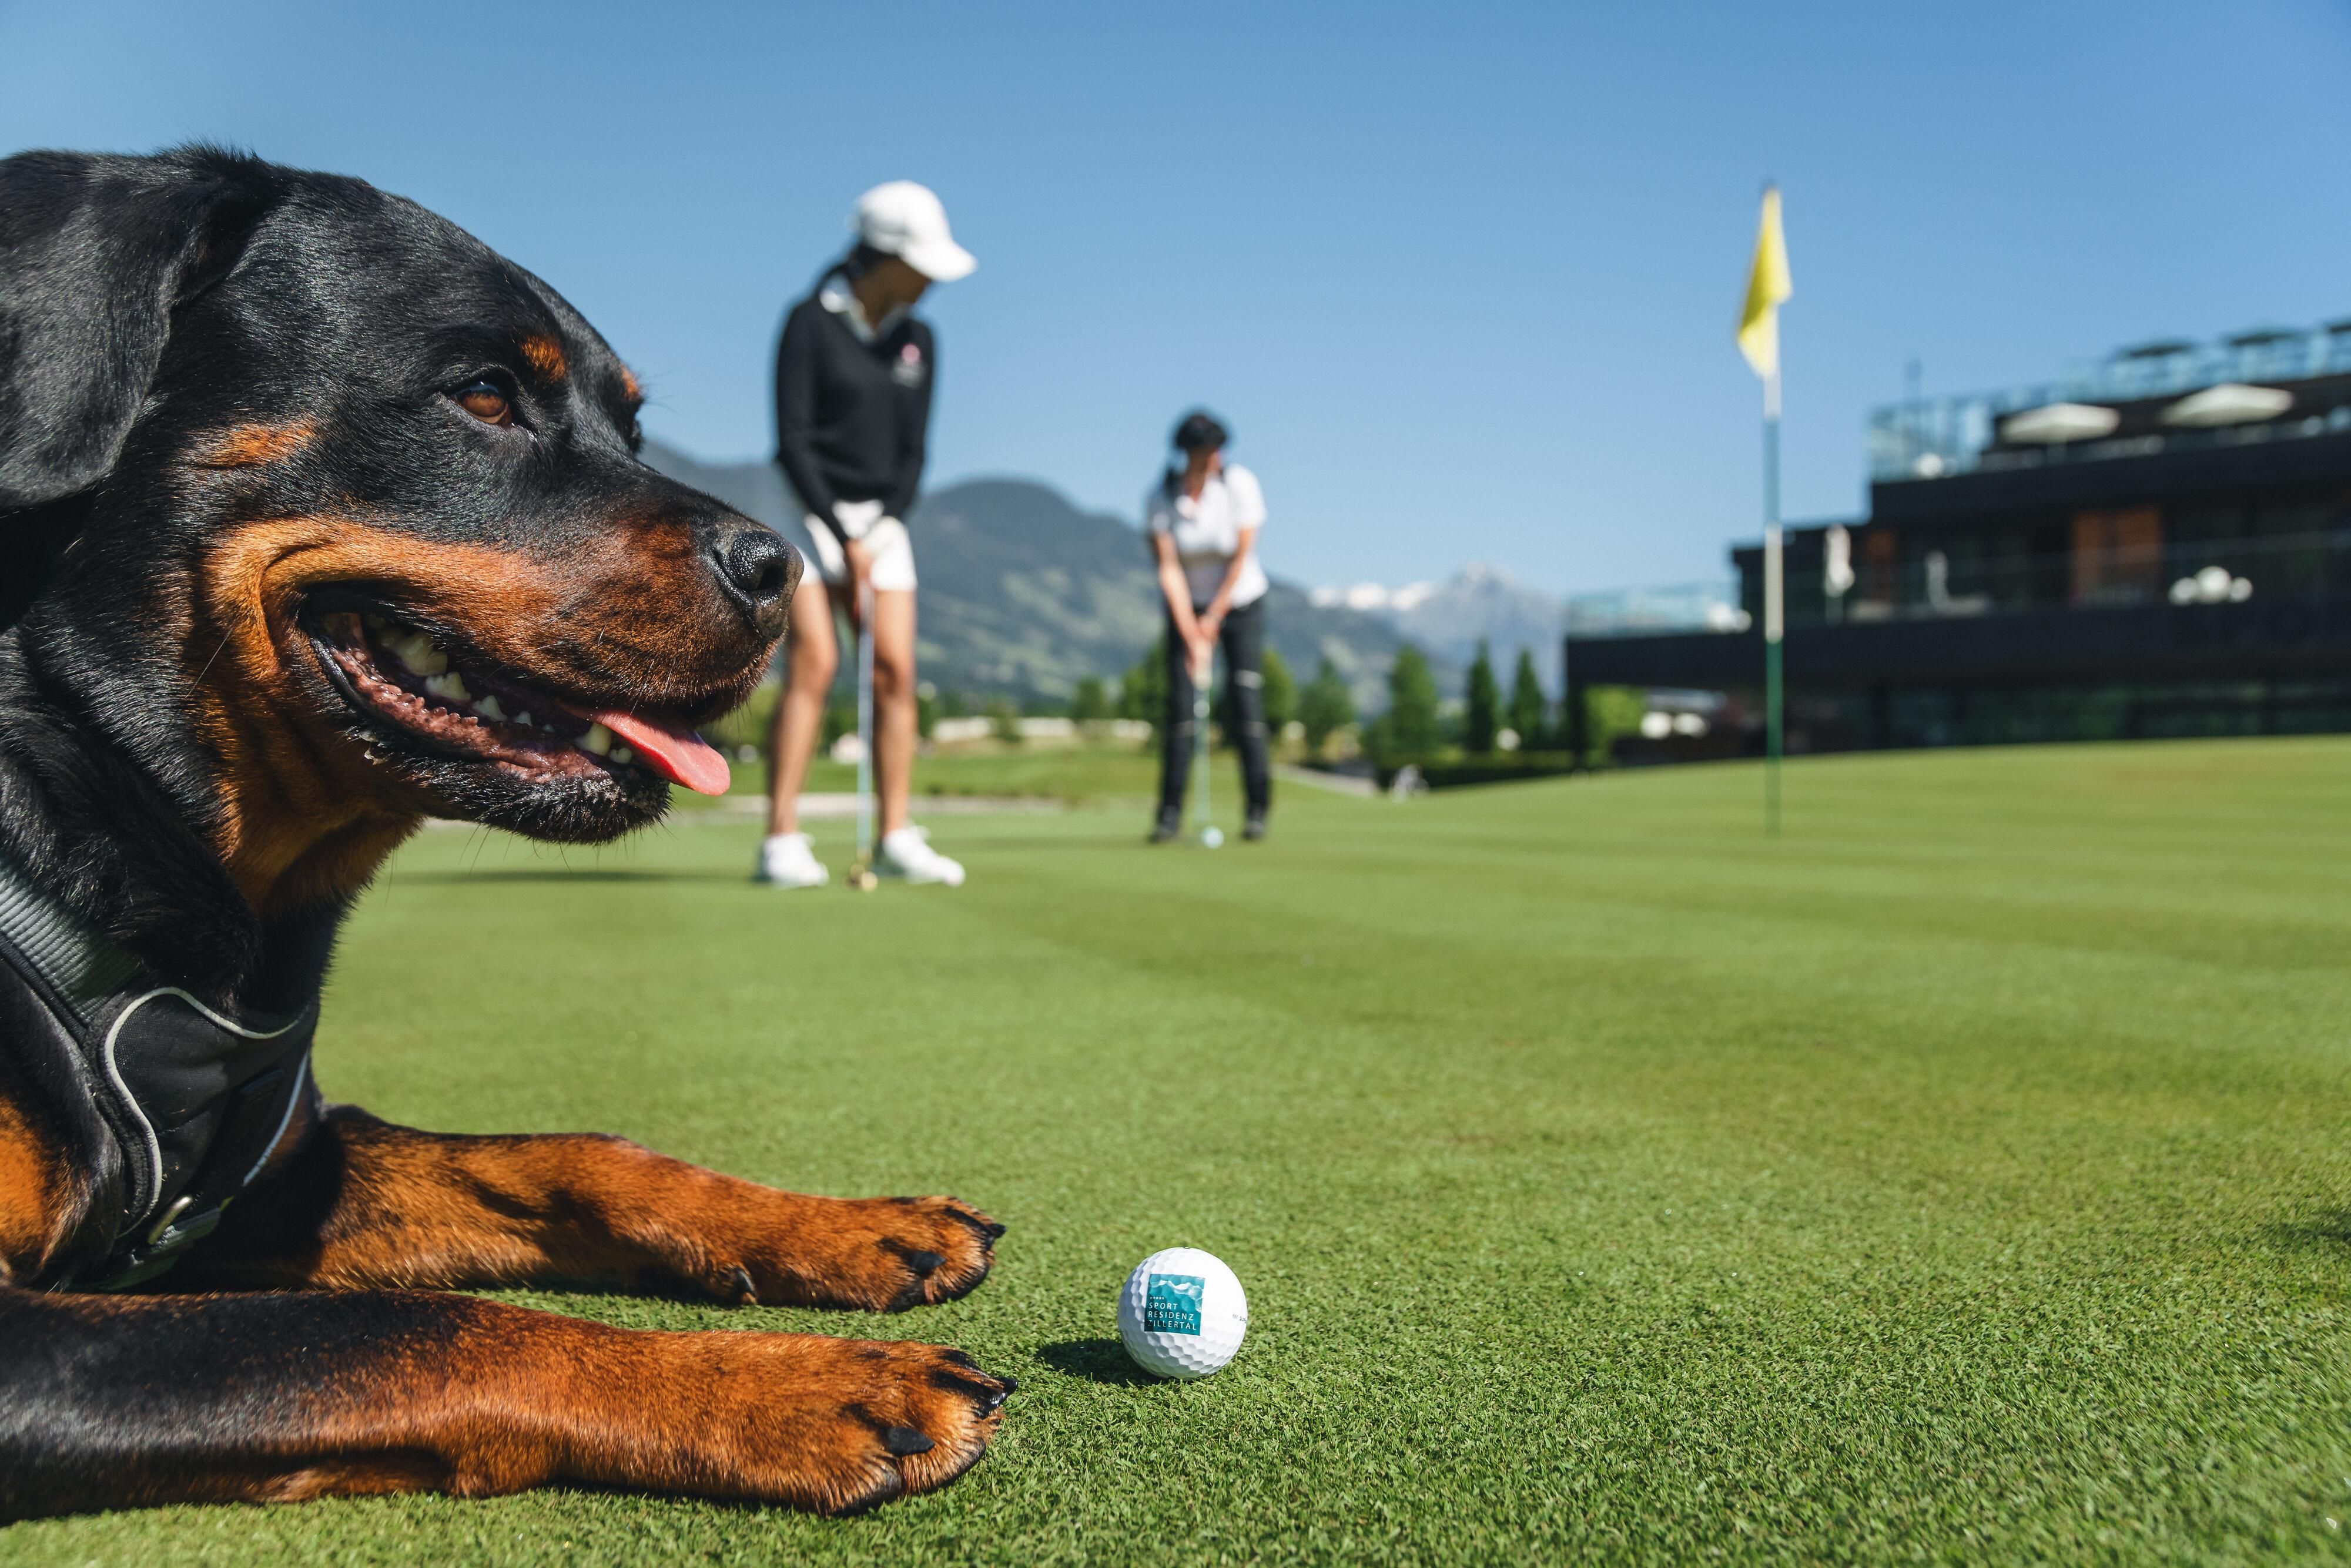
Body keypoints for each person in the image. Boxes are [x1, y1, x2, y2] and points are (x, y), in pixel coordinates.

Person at [756, 182, 974, 888]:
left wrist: (879, 530)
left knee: (895, 673)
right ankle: (780, 839)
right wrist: (836, 534)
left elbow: (914, 454)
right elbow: (792, 442)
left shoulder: (919, 339)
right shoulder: (808, 322)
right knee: (816, 662)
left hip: (881, 522)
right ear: (885, 257)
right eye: (921, 265)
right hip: (807, 509)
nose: (931, 281)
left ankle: (895, 835)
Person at [1144, 411, 1271, 843]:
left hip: (1241, 604)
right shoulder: (1162, 497)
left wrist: (1214, 619)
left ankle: (1257, 810)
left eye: (1219, 448)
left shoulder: (1239, 485)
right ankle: (1168, 816)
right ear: (1189, 453)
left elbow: (1241, 558)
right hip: (1186, 610)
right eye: (1208, 450)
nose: (1217, 456)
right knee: (1181, 710)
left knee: (1244, 702)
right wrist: (1191, 632)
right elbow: (1169, 569)